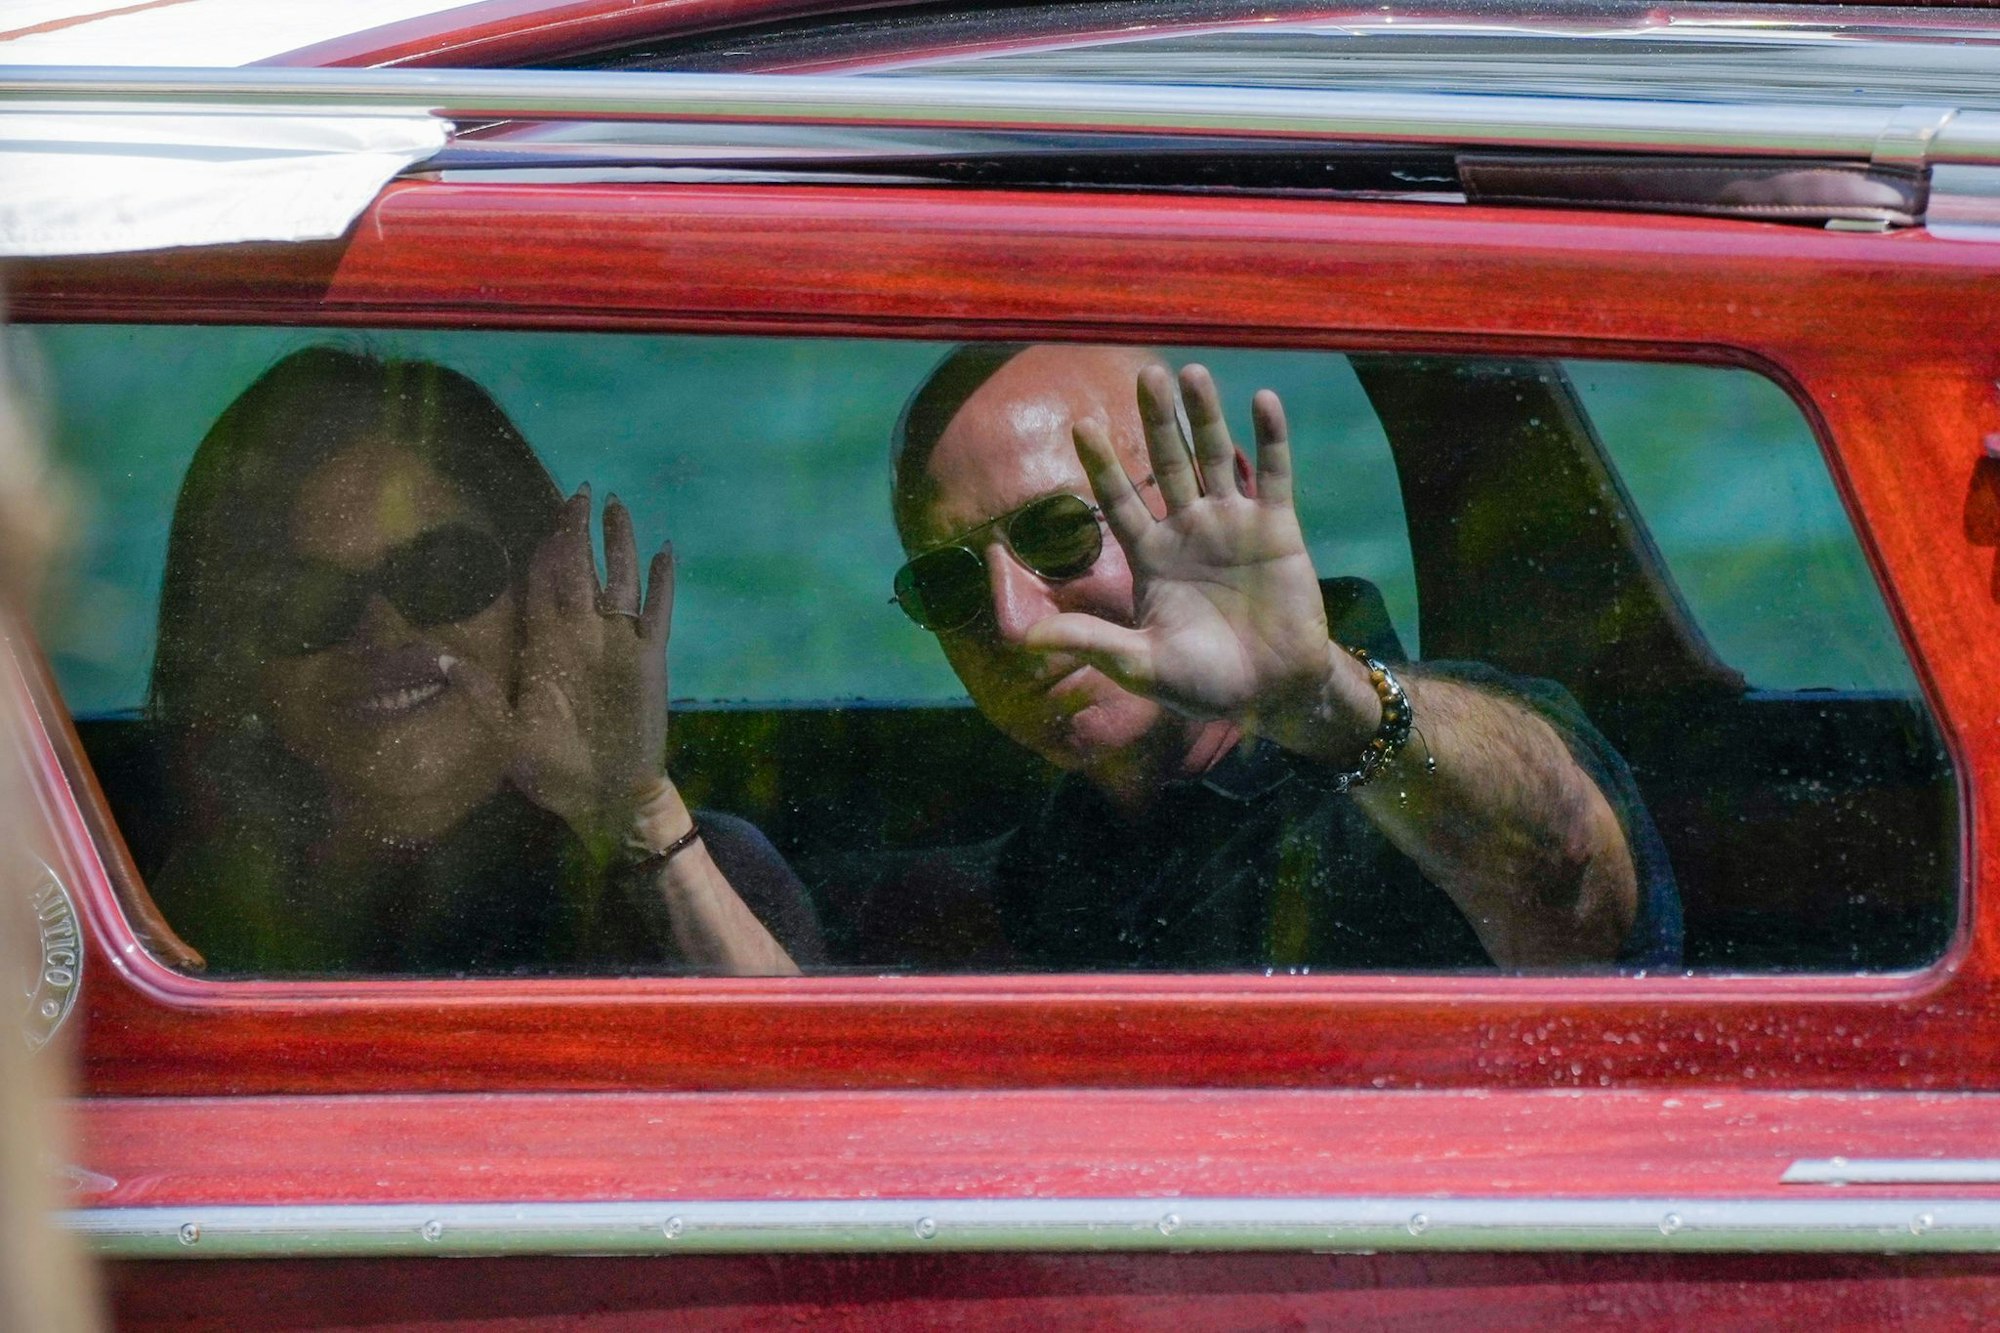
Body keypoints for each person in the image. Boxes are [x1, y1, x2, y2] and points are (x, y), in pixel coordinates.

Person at [887, 344, 1679, 970]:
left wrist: (1320, 700)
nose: (1014, 621)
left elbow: (1572, 874)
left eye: (1057, 534)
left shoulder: (1397, 766)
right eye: (946, 582)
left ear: (1218, 492)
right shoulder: (1042, 868)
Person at [146, 346, 816, 976]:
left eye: (441, 572)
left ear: (536, 593)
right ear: (238, 652)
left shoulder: (704, 870)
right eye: (308, 600)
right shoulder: (160, 919)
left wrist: (637, 815)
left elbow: (812, 1081)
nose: (384, 630)